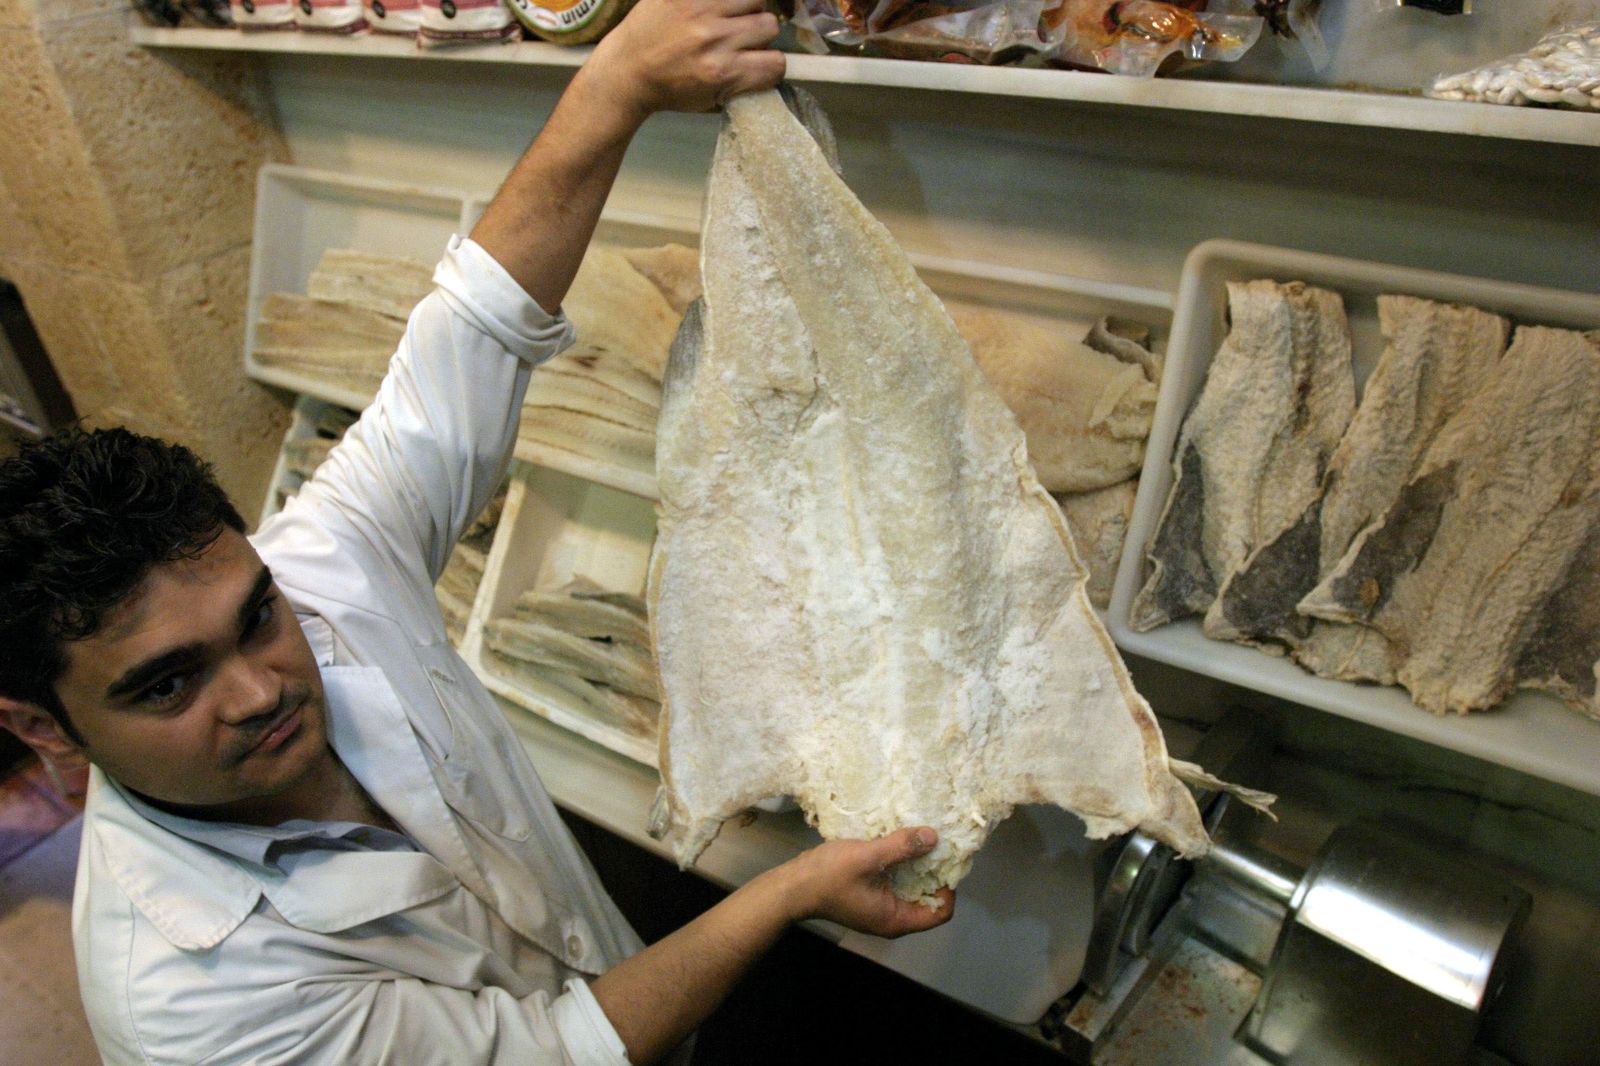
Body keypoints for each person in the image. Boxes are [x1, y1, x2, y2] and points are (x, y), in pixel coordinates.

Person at [0, 0, 954, 1061]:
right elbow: (553, 1053)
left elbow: (467, 342)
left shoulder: (323, 571)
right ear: (44, 726)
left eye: (255, 614)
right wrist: (784, 898)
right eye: (168, 682)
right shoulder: (191, 997)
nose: (263, 684)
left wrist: (617, 84)